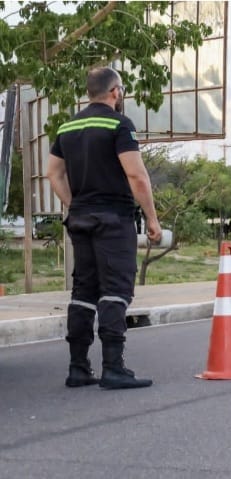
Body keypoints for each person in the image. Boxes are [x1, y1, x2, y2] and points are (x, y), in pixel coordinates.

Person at [46, 67, 161, 389]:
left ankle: (78, 368)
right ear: (115, 92)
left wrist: (75, 204)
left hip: (81, 219)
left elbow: (53, 173)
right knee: (116, 290)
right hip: (113, 219)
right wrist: (152, 218)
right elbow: (136, 176)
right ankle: (114, 368)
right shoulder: (118, 124)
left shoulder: (68, 126)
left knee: (83, 291)